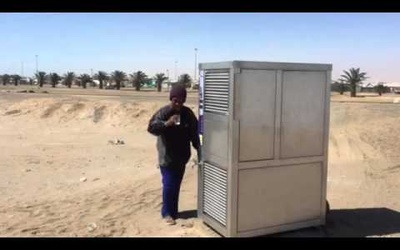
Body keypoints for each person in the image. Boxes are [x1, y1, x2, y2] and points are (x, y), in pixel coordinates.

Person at [147, 84, 200, 225]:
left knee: (176, 185)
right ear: (171, 99)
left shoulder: (188, 114)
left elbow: (194, 133)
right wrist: (167, 123)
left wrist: (199, 149)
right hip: (167, 157)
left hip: (181, 157)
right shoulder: (164, 112)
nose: (178, 103)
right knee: (169, 185)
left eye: (181, 100)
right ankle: (167, 213)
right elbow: (151, 128)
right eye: (175, 100)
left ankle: (174, 212)